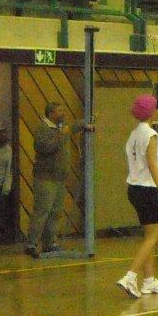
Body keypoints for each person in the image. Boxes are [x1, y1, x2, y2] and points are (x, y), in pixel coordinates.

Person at [117, 95, 158, 298]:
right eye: (157, 108)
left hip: (134, 188)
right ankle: (130, 277)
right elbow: (150, 162)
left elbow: (143, 162)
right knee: (153, 236)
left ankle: (149, 280)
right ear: (151, 112)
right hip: (147, 190)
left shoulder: (134, 134)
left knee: (148, 236)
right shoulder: (151, 135)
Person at [27, 101, 91, 258]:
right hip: (45, 177)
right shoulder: (43, 129)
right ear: (50, 114)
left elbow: (74, 125)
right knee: (42, 211)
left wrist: (85, 124)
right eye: (60, 111)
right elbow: (45, 147)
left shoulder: (61, 127)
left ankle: (50, 243)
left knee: (55, 212)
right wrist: (63, 135)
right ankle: (32, 243)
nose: (63, 113)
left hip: (59, 177)